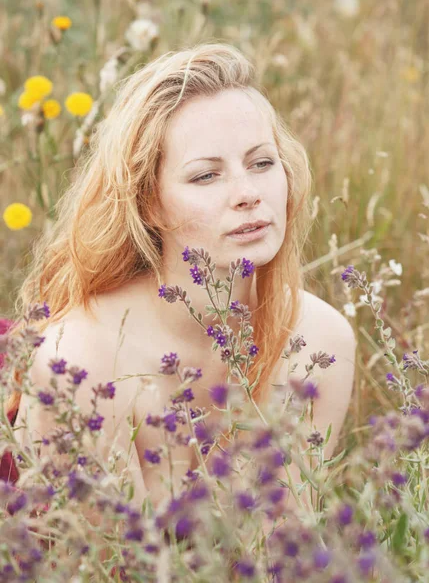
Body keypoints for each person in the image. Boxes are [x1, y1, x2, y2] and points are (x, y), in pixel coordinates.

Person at [3, 42, 356, 518]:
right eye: (207, 176)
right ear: (148, 201)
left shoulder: (321, 341)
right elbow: (94, 566)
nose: (248, 194)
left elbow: (281, 553)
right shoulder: (79, 364)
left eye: (262, 163)